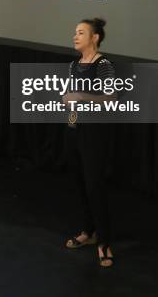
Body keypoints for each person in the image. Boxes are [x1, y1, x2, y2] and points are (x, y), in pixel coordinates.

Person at [62, 17, 116, 268]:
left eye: (81, 32)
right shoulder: (75, 65)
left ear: (94, 38)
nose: (75, 36)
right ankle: (88, 231)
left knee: (95, 185)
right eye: (75, 32)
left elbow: (110, 97)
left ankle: (104, 242)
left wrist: (81, 96)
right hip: (76, 131)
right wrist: (71, 116)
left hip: (95, 133)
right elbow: (69, 96)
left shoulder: (103, 64)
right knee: (79, 183)